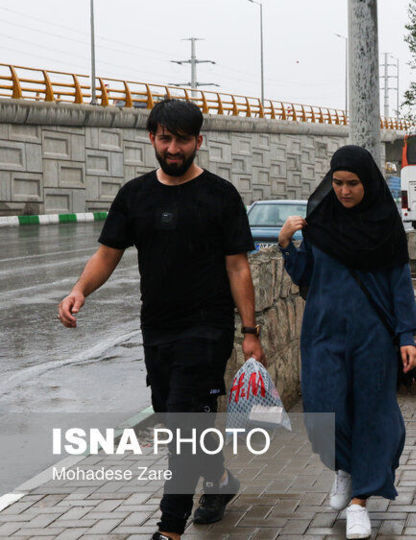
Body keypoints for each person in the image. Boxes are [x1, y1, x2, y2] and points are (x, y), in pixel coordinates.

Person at [56, 99, 263, 540]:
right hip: (158, 330)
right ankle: (222, 482)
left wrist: (250, 332)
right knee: (181, 424)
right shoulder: (135, 195)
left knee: (183, 432)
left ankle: (169, 530)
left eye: (182, 139)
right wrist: (79, 290)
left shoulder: (220, 195)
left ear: (198, 142)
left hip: (207, 330)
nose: (173, 147)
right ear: (152, 139)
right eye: (165, 138)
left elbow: (238, 267)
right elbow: (107, 254)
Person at [278, 145, 416, 540]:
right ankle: (344, 468)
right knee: (324, 407)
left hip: (373, 335)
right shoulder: (320, 222)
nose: (343, 191)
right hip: (323, 333)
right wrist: (287, 245)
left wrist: (406, 336)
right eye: (338, 182)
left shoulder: (385, 227)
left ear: (368, 183)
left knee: (373, 414)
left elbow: (399, 284)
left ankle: (361, 501)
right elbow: (306, 276)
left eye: (353, 183)